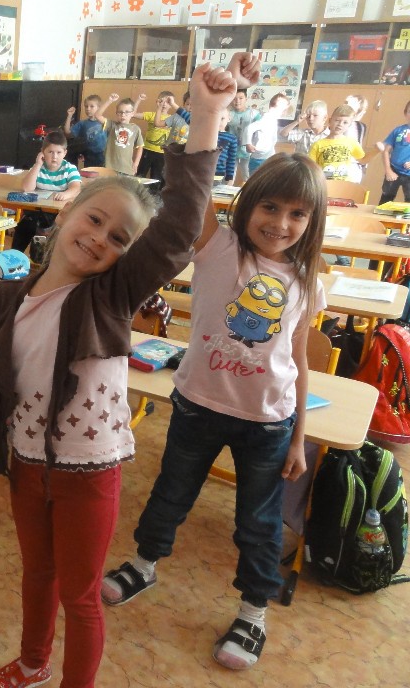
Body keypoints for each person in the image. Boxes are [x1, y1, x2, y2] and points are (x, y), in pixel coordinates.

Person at [0, 56, 256, 688]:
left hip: (90, 474)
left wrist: (207, 115)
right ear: (66, 212)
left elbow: (180, 226)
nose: (101, 238)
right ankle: (34, 664)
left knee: (80, 594)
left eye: (120, 238)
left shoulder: (110, 296)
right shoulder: (6, 298)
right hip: (26, 466)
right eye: (95, 220)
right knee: (37, 574)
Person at [100, 151, 327, 671]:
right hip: (198, 408)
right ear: (247, 205)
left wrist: (298, 438)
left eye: (297, 214)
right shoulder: (218, 245)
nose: (281, 223)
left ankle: (253, 613)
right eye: (270, 207)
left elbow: (298, 360)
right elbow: (192, 187)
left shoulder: (307, 280)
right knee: (170, 494)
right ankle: (144, 564)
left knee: (259, 523)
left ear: (312, 222)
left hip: (268, 423)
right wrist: (207, 117)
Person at [12, 130, 82, 255]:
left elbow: (76, 187)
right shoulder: (39, 167)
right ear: (42, 152)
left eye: (59, 152)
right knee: (24, 227)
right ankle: (15, 257)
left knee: (55, 231)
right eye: (50, 152)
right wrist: (38, 164)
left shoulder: (69, 168)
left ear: (65, 153)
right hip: (36, 212)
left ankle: (46, 259)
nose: (54, 156)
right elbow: (27, 188)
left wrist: (65, 194)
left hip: (58, 214)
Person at [306, 104, 366, 182]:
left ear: (349, 125)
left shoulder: (352, 142)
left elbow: (363, 160)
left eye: (345, 122)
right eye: (337, 120)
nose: (340, 124)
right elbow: (311, 168)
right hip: (324, 184)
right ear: (330, 121)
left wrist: (376, 150)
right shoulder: (317, 145)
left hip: (343, 185)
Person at [98, 94, 144, 177]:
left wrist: (136, 164)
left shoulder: (135, 129)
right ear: (116, 113)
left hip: (127, 169)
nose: (123, 115)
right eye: (120, 112)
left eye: (127, 112)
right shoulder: (112, 125)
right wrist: (109, 100)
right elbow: (97, 115)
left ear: (132, 113)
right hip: (110, 168)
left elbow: (140, 147)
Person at [244, 93, 289, 174]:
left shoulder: (272, 119)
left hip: (267, 157)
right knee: (257, 181)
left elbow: (271, 141)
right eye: (284, 107)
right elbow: (249, 128)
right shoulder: (267, 118)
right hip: (259, 159)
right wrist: (248, 143)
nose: (285, 110)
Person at [136, 90, 175, 185]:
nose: (164, 104)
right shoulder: (151, 115)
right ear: (157, 101)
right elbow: (133, 114)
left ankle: (154, 193)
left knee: (157, 178)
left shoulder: (173, 119)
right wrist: (139, 100)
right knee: (140, 175)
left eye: (168, 102)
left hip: (162, 153)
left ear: (171, 104)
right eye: (162, 101)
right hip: (147, 150)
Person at [63, 95, 108, 168]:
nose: (88, 109)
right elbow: (67, 133)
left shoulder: (105, 122)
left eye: (91, 106)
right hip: (89, 156)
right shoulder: (82, 123)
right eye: (86, 106)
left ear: (99, 108)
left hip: (103, 156)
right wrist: (69, 115)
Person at [379, 100, 410, 204]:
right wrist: (388, 170)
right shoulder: (398, 130)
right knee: (386, 200)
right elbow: (386, 151)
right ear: (405, 113)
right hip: (394, 170)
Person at [228, 88, 259, 185]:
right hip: (231, 151)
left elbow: (261, 129)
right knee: (229, 177)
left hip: (248, 151)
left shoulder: (254, 114)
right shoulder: (228, 113)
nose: (237, 101)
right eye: (234, 98)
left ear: (246, 99)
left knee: (248, 177)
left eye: (240, 98)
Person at [216, 110, 239, 182]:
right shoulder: (205, 134)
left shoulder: (232, 138)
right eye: (215, 118)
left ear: (228, 119)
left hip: (218, 175)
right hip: (202, 173)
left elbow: (231, 159)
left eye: (222, 118)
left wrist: (229, 178)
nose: (218, 122)